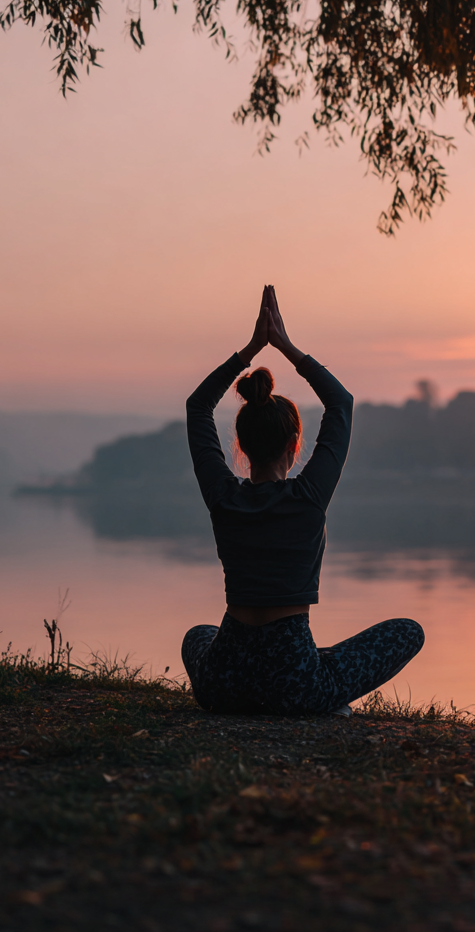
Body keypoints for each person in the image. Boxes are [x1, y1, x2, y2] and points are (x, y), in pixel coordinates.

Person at [181, 286, 424, 715]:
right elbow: (341, 405)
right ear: (296, 445)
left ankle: (311, 671)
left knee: (197, 635)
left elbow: (198, 408)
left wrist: (250, 350)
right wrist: (287, 347)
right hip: (295, 685)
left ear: (240, 444)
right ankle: (324, 689)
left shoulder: (223, 498)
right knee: (408, 631)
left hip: (223, 683)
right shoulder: (309, 497)